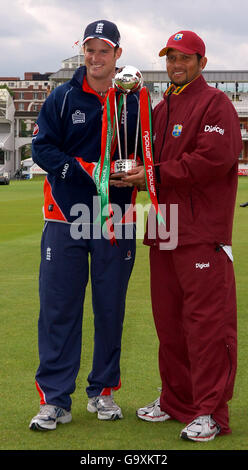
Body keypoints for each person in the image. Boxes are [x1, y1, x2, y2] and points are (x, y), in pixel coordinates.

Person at [123, 30, 242, 441]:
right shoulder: (160, 107)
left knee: (206, 324)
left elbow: (211, 160)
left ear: (201, 63)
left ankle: (210, 412)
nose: (176, 65)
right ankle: (176, 401)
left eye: (185, 58)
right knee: (170, 322)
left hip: (202, 232)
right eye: (171, 58)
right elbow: (149, 160)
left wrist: (152, 174)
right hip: (164, 229)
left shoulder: (217, 104)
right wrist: (132, 169)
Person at [29, 19, 140, 431]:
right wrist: (82, 172)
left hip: (117, 218)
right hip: (64, 217)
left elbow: (147, 151)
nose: (96, 57)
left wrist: (138, 172)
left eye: (104, 50)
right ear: (84, 52)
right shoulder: (62, 97)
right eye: (90, 49)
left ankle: (103, 392)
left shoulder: (133, 100)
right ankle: (55, 400)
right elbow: (41, 146)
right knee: (59, 310)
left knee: (110, 309)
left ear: (117, 56)